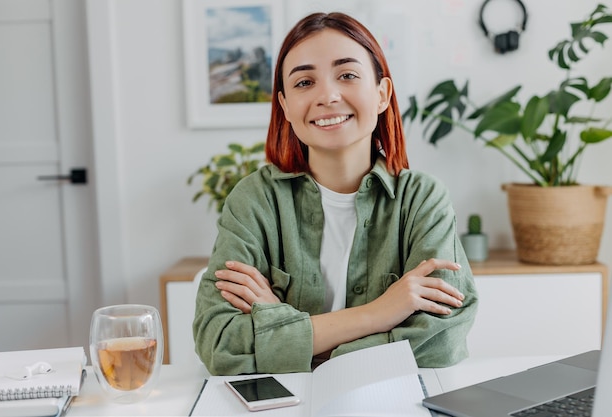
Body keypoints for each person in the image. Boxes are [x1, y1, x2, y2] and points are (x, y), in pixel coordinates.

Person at [193, 11, 478, 376]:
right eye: (304, 82)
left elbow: (440, 342)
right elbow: (219, 344)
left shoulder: (423, 200)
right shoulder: (254, 201)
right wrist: (378, 314)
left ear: (381, 94)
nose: (327, 96)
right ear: (285, 107)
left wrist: (287, 334)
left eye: (347, 75)